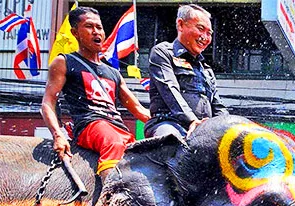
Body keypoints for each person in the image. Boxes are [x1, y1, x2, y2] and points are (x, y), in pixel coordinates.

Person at [41, 7, 150, 178]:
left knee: (140, 156)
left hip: (117, 127)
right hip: (89, 125)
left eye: (99, 27)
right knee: (113, 142)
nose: (96, 32)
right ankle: (109, 202)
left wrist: (172, 125)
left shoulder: (113, 72)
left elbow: (139, 110)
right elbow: (48, 103)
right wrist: (57, 135)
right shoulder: (64, 61)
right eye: (89, 27)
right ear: (75, 33)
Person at [145, 4, 226, 138]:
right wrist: (192, 120)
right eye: (200, 29)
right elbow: (170, 90)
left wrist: (228, 125)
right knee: (171, 142)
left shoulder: (206, 70)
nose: (205, 37)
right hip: (168, 123)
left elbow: (218, 106)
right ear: (181, 25)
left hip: (204, 130)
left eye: (209, 33)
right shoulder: (163, 53)